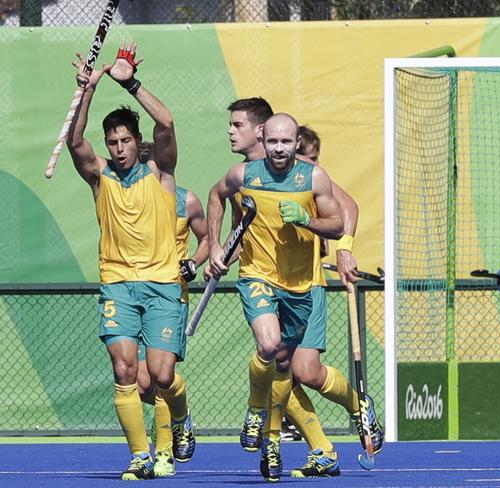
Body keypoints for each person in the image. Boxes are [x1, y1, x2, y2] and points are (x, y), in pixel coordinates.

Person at [66, 41, 195, 480]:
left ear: (138, 143)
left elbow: (167, 121)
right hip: (118, 282)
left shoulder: (161, 173)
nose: (118, 148)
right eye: (113, 142)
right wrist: (88, 88)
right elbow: (75, 140)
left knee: (160, 375)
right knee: (124, 369)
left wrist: (131, 82)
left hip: (162, 284)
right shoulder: (99, 176)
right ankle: (144, 456)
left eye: (125, 140)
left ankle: (178, 417)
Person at [207, 113, 344, 482]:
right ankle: (255, 410)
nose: (279, 149)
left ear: (296, 141)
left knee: (285, 366)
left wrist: (306, 219)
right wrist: (216, 246)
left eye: (286, 142)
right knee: (268, 346)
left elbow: (339, 224)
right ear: (263, 139)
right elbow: (216, 196)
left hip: (300, 287)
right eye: (273, 142)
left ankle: (273, 441)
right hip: (257, 277)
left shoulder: (313, 177)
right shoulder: (244, 175)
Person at [283, 125, 384, 479]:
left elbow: (348, 206)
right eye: (308, 160)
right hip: (271, 288)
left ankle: (358, 406)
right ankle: (321, 451)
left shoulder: (311, 179)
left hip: (307, 284)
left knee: (305, 371)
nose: (313, 168)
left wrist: (344, 249)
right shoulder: (260, 176)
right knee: (280, 379)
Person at [135, 142, 208, 478]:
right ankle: (180, 413)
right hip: (134, 295)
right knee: (142, 384)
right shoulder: (129, 199)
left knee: (161, 377)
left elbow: (206, 238)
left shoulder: (185, 200)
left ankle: (163, 453)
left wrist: (194, 262)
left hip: (170, 297)